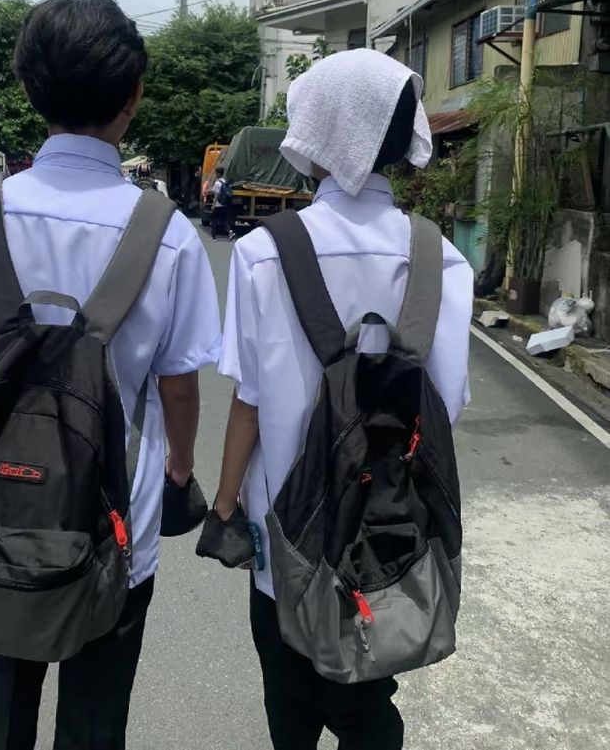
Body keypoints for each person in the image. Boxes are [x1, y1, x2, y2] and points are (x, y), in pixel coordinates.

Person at [0, 0, 221, 750]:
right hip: (116, 526)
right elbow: (179, 387)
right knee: (95, 720)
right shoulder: (168, 237)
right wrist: (178, 471)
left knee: (5, 705)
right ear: (133, 96)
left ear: (28, 87)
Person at [201, 49, 473, 750]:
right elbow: (447, 403)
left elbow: (249, 404)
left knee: (288, 695)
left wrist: (225, 507)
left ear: (316, 132)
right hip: (389, 529)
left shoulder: (266, 254)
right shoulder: (440, 258)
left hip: (287, 536)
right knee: (368, 691)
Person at [210, 166, 234, 241]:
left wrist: (213, 206)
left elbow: (216, 195)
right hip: (225, 204)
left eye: (216, 173)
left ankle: (213, 236)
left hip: (218, 205)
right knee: (224, 220)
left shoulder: (217, 183)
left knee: (214, 220)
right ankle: (230, 232)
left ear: (217, 173)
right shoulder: (225, 182)